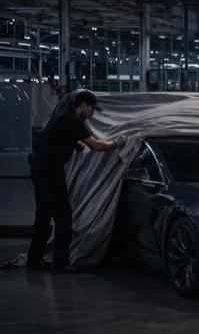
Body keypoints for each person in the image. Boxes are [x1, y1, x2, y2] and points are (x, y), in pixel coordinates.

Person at [27, 90, 126, 272]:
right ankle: (60, 264)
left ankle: (34, 261)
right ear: (82, 106)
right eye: (91, 109)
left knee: (44, 216)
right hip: (49, 170)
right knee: (63, 217)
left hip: (40, 167)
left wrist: (74, 144)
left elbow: (55, 137)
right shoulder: (73, 121)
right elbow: (96, 145)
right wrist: (117, 143)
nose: (92, 114)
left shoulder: (62, 116)